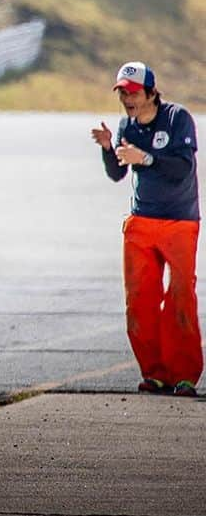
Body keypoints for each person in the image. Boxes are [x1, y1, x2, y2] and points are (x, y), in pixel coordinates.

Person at [91, 61, 200, 397]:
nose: (127, 99)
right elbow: (117, 173)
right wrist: (110, 148)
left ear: (151, 92)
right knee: (140, 301)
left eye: (134, 92)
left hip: (180, 221)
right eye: (123, 92)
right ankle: (154, 372)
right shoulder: (127, 125)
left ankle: (183, 375)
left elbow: (183, 169)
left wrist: (147, 158)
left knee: (180, 297)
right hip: (141, 222)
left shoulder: (176, 117)